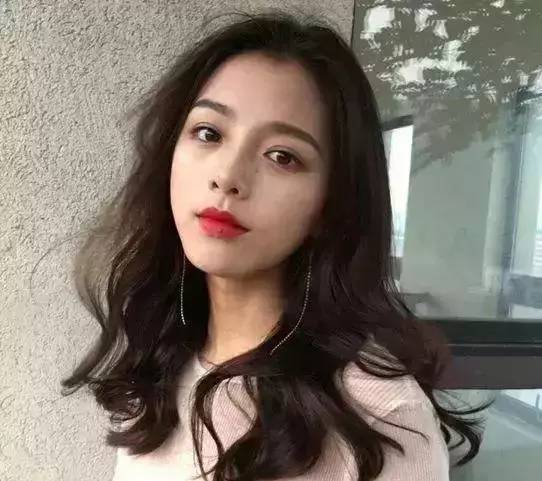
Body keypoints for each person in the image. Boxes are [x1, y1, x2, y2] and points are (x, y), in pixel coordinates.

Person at [60, 10, 487, 481]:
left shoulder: (382, 420)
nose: (228, 176)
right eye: (209, 133)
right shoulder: (156, 361)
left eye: (282, 156)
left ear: (330, 205)